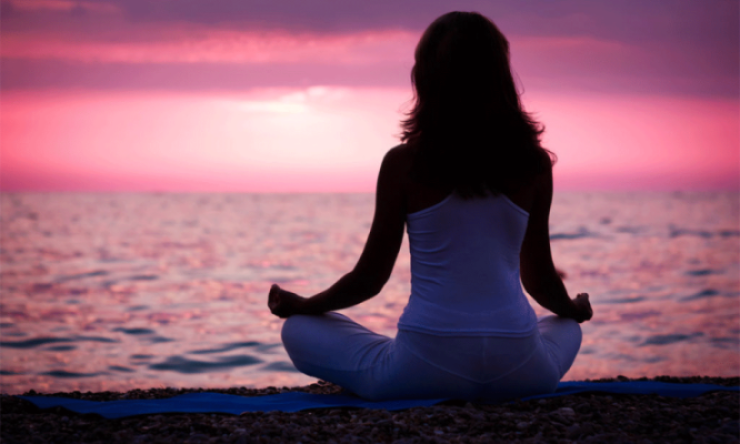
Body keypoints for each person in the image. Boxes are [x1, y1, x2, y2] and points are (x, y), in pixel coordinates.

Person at [267, 11, 593, 402]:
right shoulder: (534, 164)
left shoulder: (403, 163)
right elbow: (540, 281)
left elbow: (370, 278)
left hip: (422, 369)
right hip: (522, 371)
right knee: (565, 328)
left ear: (426, 78)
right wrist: (573, 310)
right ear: (500, 79)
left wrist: (306, 305)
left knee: (297, 330)